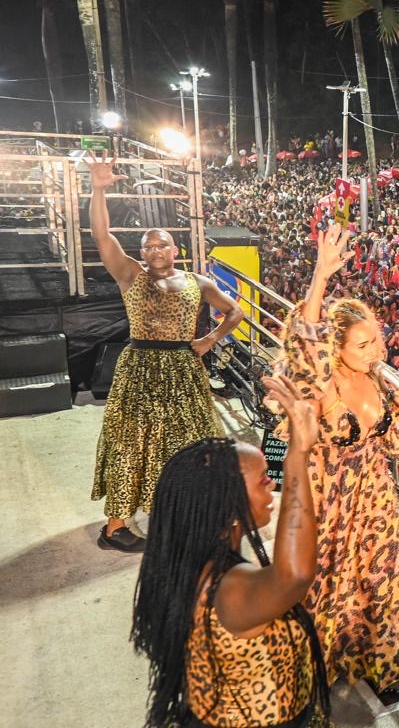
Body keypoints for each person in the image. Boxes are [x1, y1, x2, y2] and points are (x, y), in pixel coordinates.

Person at [275, 223, 399, 693]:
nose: (377, 350)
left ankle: (386, 664)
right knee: (326, 582)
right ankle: (316, 666)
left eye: (377, 340)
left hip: (374, 496)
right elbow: (305, 340)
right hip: (327, 499)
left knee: (382, 577)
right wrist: (321, 276)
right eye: (363, 345)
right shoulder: (320, 382)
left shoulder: (378, 380)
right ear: (335, 349)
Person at [131, 376, 329, 727]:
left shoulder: (187, 560)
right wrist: (298, 455)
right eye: (263, 480)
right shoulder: (229, 589)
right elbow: (295, 575)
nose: (272, 485)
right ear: (228, 506)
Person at [88, 154, 244, 551]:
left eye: (162, 244)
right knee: (130, 444)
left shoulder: (198, 282)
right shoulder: (130, 275)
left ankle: (189, 511)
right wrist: (98, 189)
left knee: (195, 441)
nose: (156, 250)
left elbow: (235, 311)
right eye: (149, 246)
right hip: (139, 367)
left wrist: (211, 339)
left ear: (175, 249)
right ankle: (114, 529)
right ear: (141, 252)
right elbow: (102, 237)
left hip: (183, 368)